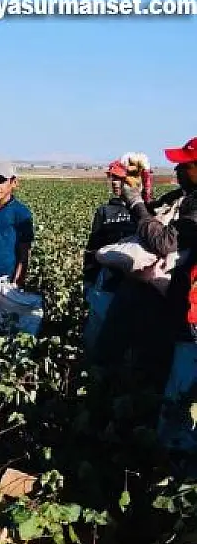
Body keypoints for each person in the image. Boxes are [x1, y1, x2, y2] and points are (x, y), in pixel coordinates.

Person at [118, 138, 197, 452]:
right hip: (180, 307)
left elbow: (165, 242)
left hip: (192, 315)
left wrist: (136, 203)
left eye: (185, 164)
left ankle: (175, 458)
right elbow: (157, 217)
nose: (177, 169)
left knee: (181, 391)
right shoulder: (186, 197)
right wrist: (144, 192)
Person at [0, 162, 42, 334]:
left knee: (12, 325)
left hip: (6, 279)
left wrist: (18, 279)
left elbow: (24, 251)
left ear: (13, 183)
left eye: (1, 181)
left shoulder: (20, 213)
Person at [82, 158, 139, 357]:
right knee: (98, 333)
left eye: (120, 178)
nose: (115, 183)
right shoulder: (104, 212)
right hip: (106, 282)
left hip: (135, 285)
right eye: (113, 178)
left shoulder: (144, 210)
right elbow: (92, 248)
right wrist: (88, 280)